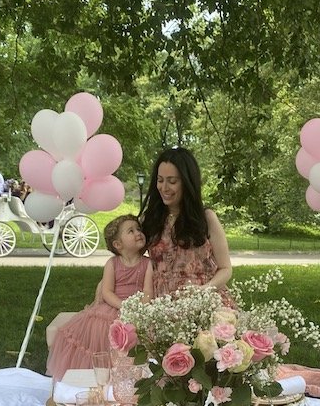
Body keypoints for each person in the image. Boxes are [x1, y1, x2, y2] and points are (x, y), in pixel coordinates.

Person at [46, 214, 152, 378]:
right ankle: (99, 378)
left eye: (138, 229)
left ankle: (125, 379)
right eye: (131, 231)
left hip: (137, 308)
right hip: (113, 306)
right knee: (100, 331)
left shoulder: (148, 264)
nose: (138, 233)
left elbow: (148, 292)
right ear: (118, 244)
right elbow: (107, 291)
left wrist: (138, 310)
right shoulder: (112, 263)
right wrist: (124, 306)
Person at [139, 147, 233, 304]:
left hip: (204, 302)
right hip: (162, 305)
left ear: (187, 182)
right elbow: (130, 259)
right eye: (160, 180)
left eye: (172, 181)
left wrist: (204, 291)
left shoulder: (206, 218)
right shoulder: (149, 220)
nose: (164, 188)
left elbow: (226, 269)